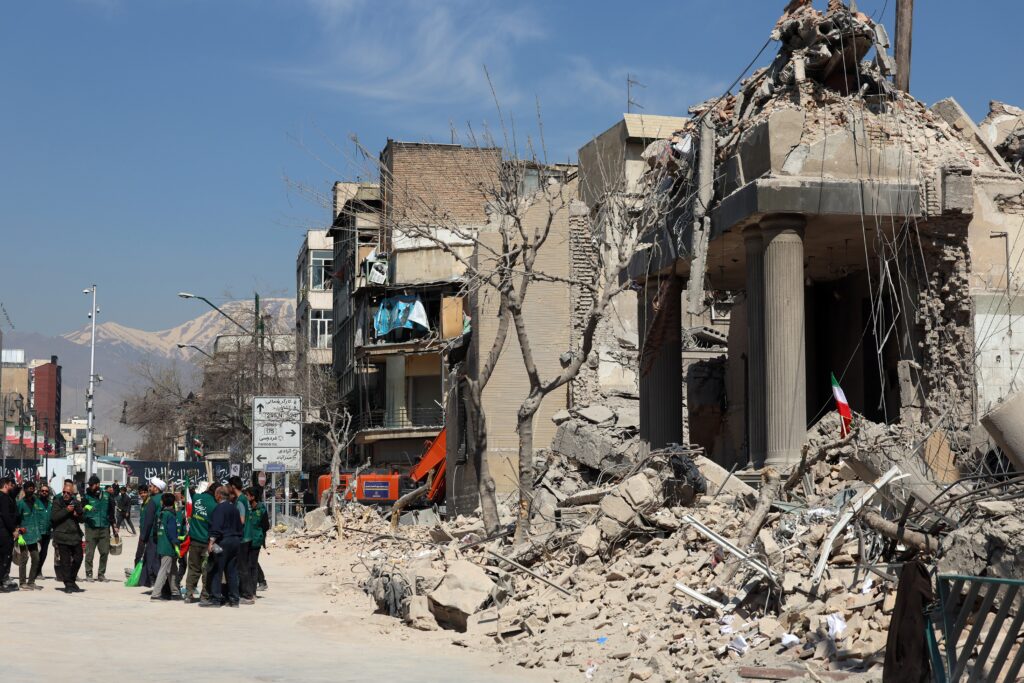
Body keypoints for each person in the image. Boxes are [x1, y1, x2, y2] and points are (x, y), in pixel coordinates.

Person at [200, 486, 242, 608]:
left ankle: (216, 599)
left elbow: (216, 527)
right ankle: (234, 600)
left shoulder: (219, 508)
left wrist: (211, 542)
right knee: (232, 571)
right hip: (235, 541)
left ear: (218, 495)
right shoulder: (234, 508)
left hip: (223, 541)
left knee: (216, 570)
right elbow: (240, 526)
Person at [50, 479, 85, 593]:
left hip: (75, 536)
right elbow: (54, 517)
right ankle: (68, 584)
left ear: (72, 494)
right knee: (65, 562)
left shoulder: (76, 502)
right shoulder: (57, 502)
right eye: (64, 492)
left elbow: (82, 519)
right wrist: (66, 510)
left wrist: (77, 514)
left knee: (79, 558)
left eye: (68, 493)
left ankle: (72, 580)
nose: (65, 494)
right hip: (62, 537)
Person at [184, 480, 215, 603]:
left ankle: (188, 594)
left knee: (193, 569)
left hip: (194, 541)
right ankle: (204, 596)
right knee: (206, 570)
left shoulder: (196, 498)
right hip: (207, 543)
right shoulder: (215, 505)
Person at [82, 474, 118, 581]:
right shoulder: (86, 496)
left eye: (92, 485)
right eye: (89, 485)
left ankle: (101, 574)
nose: (90, 486)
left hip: (104, 528)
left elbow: (111, 513)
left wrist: (114, 527)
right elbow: (82, 507)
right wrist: (88, 507)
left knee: (104, 552)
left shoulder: (107, 496)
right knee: (89, 553)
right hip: (91, 528)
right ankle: (89, 574)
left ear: (98, 484)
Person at [239, 487, 269, 605]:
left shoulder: (261, 509)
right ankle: (246, 590)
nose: (246, 497)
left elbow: (266, 525)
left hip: (256, 540)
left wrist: (259, 535)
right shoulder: (246, 508)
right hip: (246, 539)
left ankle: (253, 591)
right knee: (245, 565)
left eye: (247, 495)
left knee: (253, 565)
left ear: (253, 497)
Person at [15, 481, 46, 589]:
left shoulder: (36, 502)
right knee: (24, 559)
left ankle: (31, 582)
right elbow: (16, 519)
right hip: (24, 536)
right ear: (24, 490)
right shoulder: (20, 504)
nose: (31, 490)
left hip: (34, 535)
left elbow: (41, 514)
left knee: (36, 559)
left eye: (32, 488)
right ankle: (22, 582)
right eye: (28, 488)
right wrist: (18, 532)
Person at [150, 492, 180, 601]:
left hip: (161, 544)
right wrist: (176, 544)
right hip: (168, 546)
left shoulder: (160, 514)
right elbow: (172, 532)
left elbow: (155, 530)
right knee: (164, 570)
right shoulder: (170, 515)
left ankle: (175, 592)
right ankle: (156, 594)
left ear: (163, 502)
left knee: (173, 569)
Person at [136, 478, 164, 588]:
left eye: (151, 486)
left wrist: (143, 537)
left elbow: (148, 521)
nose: (150, 488)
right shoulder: (165, 498)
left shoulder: (153, 500)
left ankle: (155, 583)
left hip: (153, 535)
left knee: (152, 560)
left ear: (156, 488)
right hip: (163, 535)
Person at [0, 477, 17, 592]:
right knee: (4, 558)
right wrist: (13, 529)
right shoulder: (4, 498)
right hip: (4, 533)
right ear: (6, 485)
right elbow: (6, 515)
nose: (12, 487)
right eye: (11, 485)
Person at [36, 483, 53, 578]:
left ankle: (39, 570)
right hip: (38, 532)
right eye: (42, 491)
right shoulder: (36, 503)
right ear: (40, 492)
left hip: (47, 532)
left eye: (46, 491)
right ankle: (35, 572)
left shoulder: (51, 504)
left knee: (44, 553)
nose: (44, 492)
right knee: (37, 553)